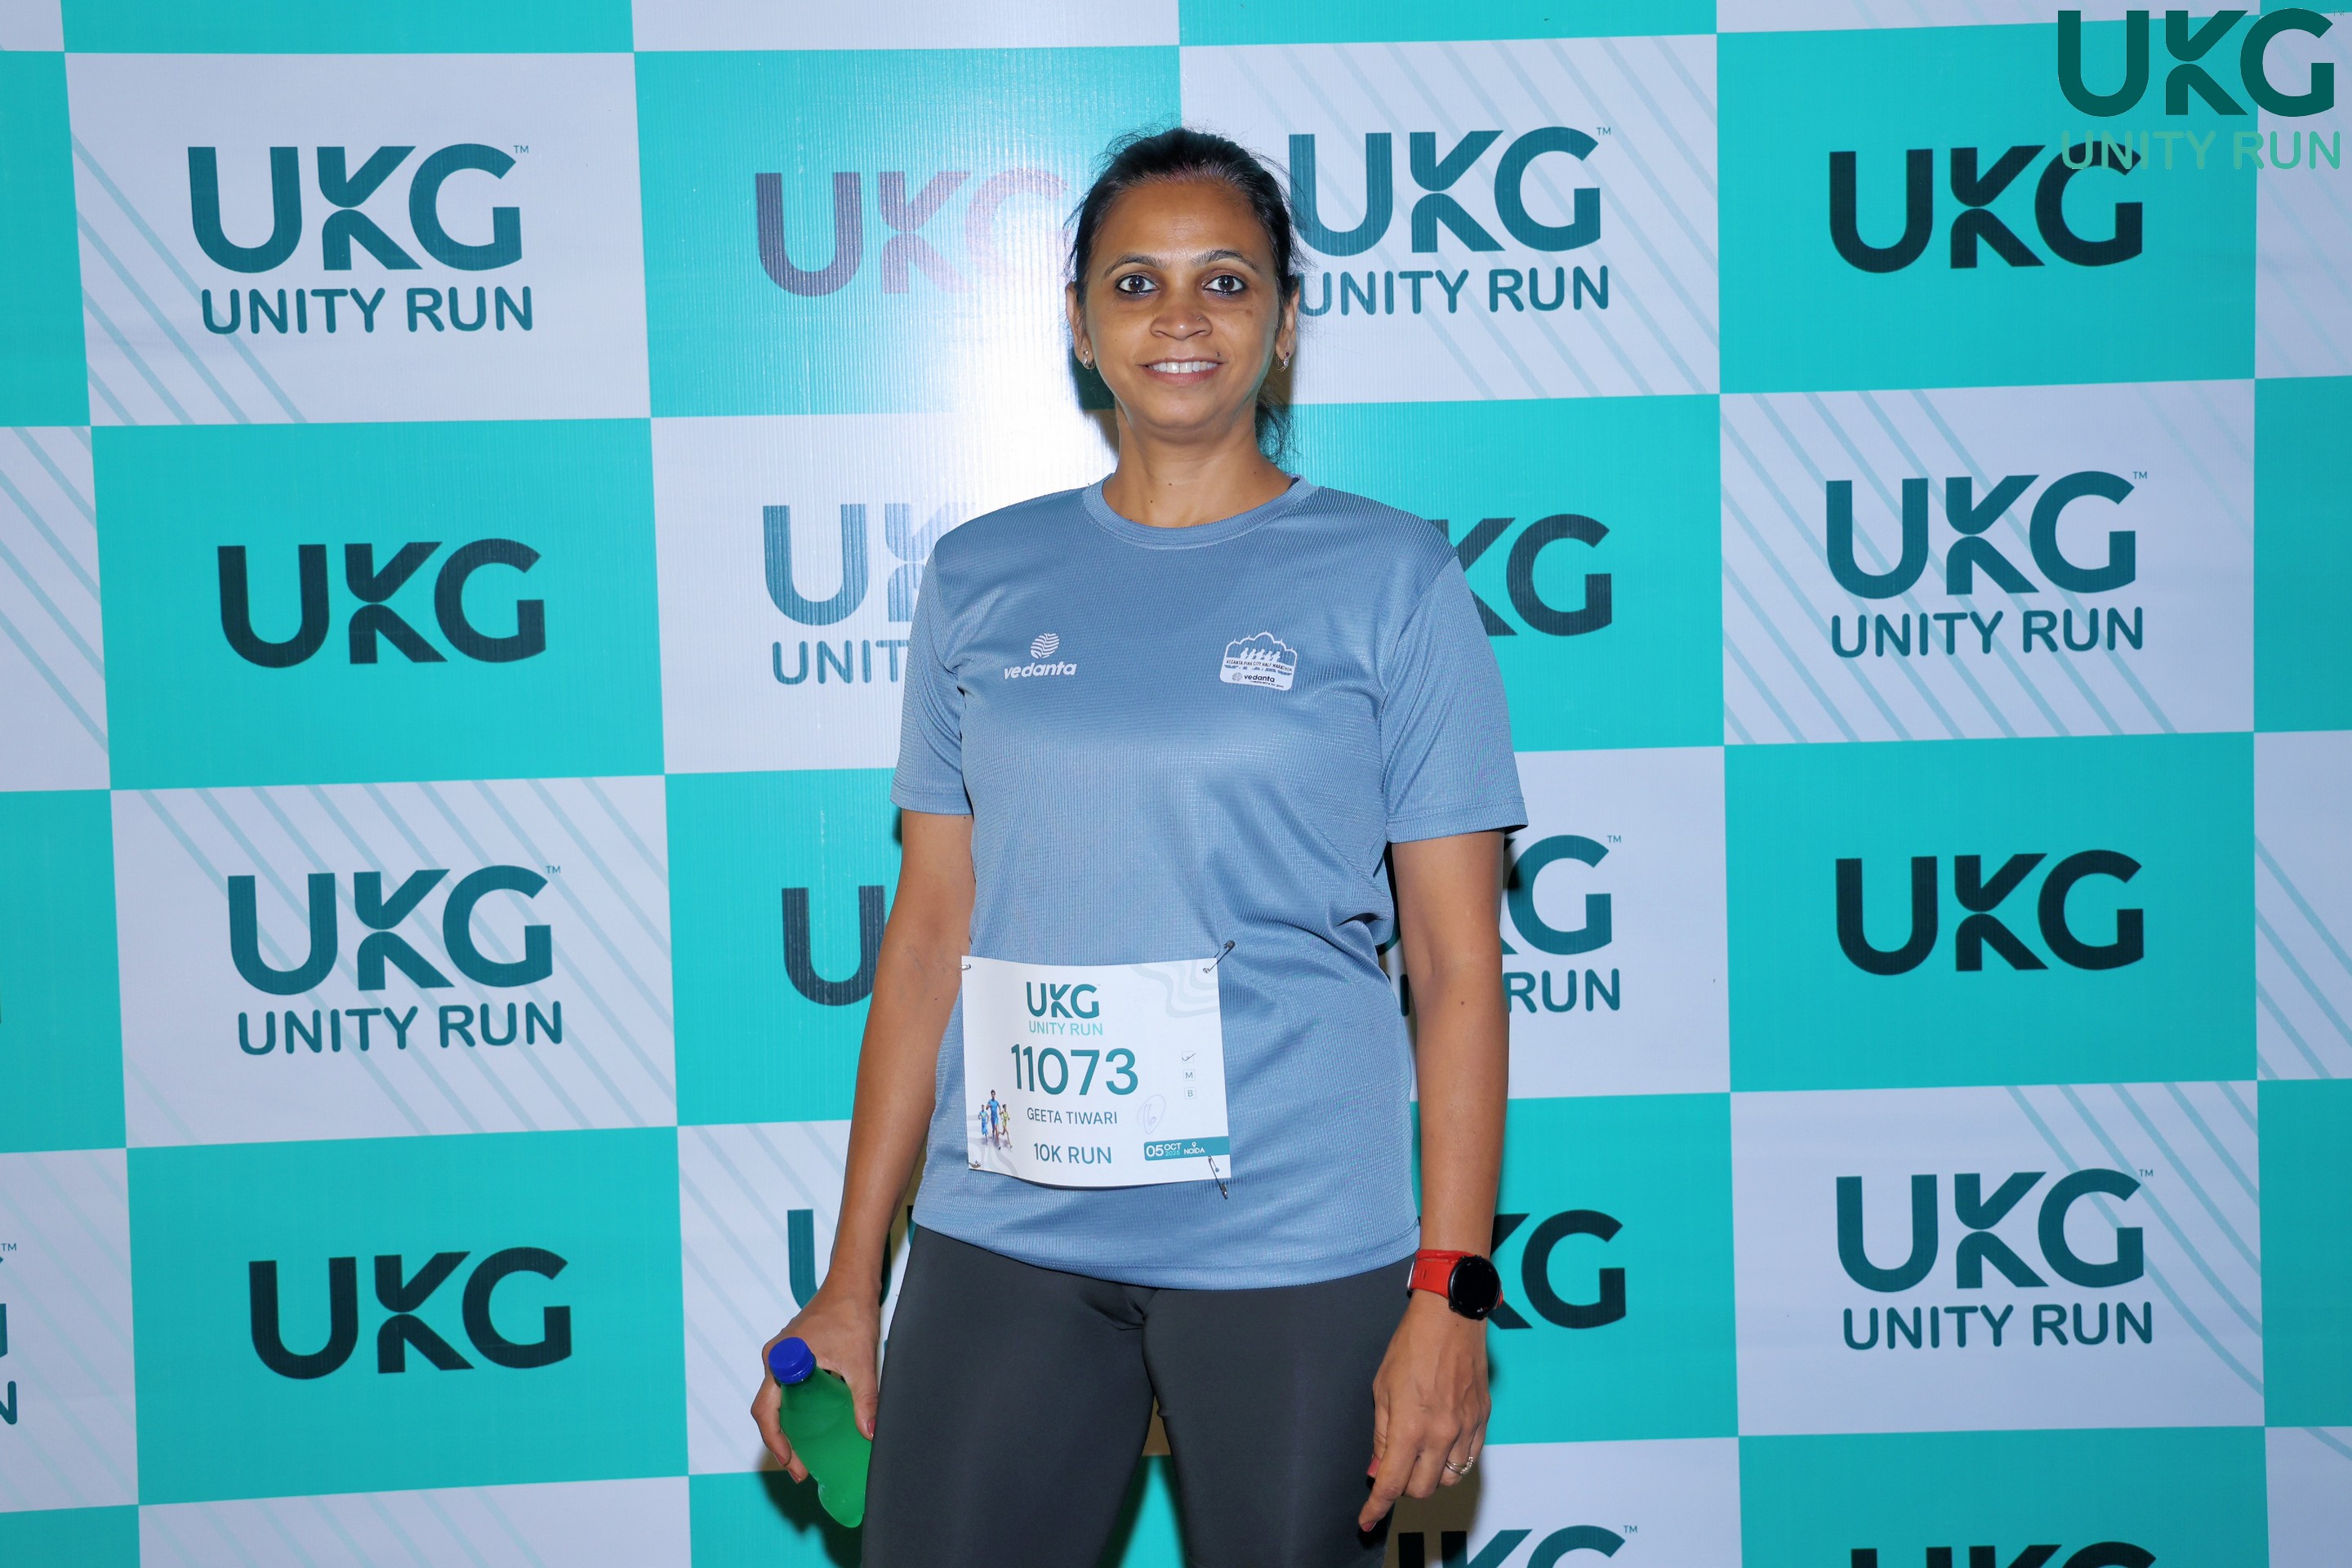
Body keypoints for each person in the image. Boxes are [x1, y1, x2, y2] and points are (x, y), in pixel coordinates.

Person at [751, 126, 1523, 1567]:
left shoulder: (1392, 578)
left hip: (1295, 1243)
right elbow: (927, 940)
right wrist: (852, 1282)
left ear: (1285, 325)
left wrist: (1449, 1294)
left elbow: (1456, 967)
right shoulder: (978, 576)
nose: (1181, 316)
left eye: (1226, 281)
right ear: (1079, 324)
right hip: (1009, 1231)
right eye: (1136, 282)